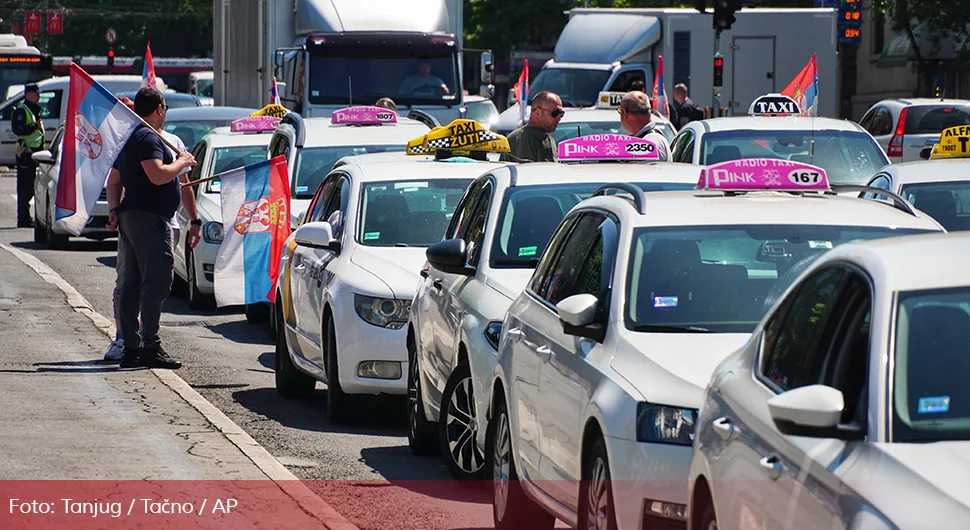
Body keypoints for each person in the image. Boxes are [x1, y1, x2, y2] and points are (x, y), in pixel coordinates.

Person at [105, 88, 198, 369]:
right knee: (155, 282)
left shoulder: (131, 137)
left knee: (132, 283)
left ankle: (133, 347)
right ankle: (149, 346)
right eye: (165, 107)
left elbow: (116, 179)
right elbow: (157, 175)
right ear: (158, 109)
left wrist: (113, 210)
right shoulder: (147, 136)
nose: (165, 111)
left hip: (135, 216)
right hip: (148, 218)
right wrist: (182, 161)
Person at [12, 83, 45, 227]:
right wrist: (34, 126)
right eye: (36, 93)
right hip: (26, 155)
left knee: (32, 187)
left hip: (34, 154)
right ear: (28, 94)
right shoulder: (22, 111)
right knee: (25, 188)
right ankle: (23, 219)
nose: (38, 96)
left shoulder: (34, 110)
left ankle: (27, 217)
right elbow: (18, 130)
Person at [500, 90, 563, 163]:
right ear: (538, 112)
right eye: (555, 113)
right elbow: (551, 172)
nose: (559, 118)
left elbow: (502, 171)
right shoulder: (544, 140)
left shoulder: (510, 139)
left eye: (561, 113)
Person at [618, 91, 671, 161]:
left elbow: (649, 171)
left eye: (619, 111)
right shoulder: (651, 139)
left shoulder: (648, 145)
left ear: (625, 113)